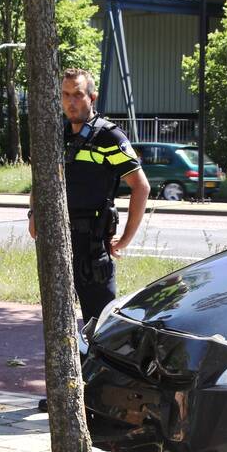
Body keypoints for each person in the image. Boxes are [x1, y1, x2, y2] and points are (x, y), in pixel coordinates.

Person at [28, 68, 150, 411]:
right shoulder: (57, 133)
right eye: (65, 95)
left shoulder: (108, 136)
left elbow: (140, 186)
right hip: (58, 240)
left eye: (77, 94)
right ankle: (64, 392)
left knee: (101, 324)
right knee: (60, 320)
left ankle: (100, 397)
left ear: (91, 97)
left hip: (93, 245)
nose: (70, 102)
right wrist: (33, 213)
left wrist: (126, 237)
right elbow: (41, 178)